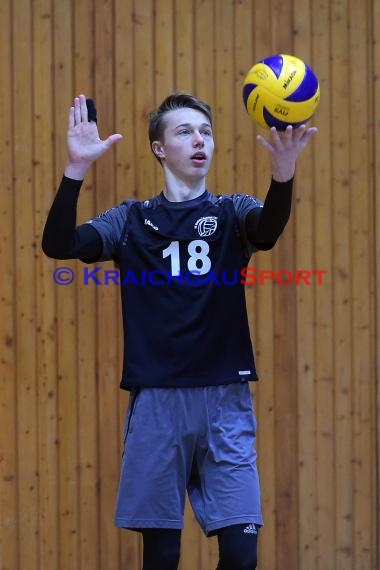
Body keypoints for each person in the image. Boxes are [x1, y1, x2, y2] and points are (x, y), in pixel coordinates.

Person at [42, 92, 317, 570]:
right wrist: (76, 168)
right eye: (184, 132)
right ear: (158, 148)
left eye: (206, 132)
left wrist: (283, 176)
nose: (199, 141)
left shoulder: (232, 212)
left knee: (240, 554)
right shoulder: (129, 220)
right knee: (162, 555)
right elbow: (59, 244)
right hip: (158, 403)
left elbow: (268, 229)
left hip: (225, 402)